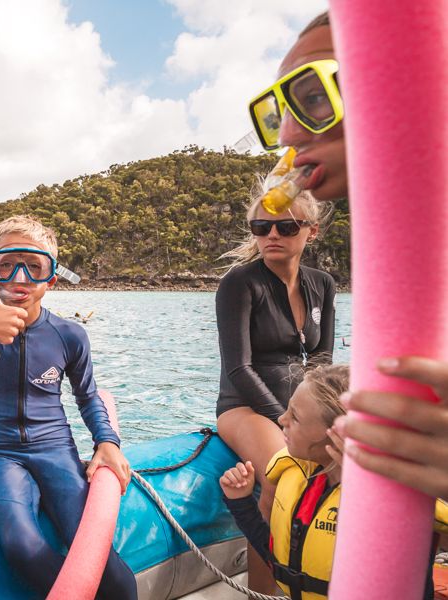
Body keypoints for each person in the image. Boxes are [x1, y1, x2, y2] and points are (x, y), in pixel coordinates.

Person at [253, 10, 448, 509]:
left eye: (313, 97)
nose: (288, 137)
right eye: (276, 114)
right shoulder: (398, 254)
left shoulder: (323, 281)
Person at [0, 215, 137, 599]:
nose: (19, 277)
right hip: (0, 454)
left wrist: (107, 441)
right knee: (22, 547)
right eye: (7, 264)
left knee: (104, 563)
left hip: (57, 451)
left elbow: (87, 396)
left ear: (50, 279)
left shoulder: (69, 334)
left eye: (34, 267)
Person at [220, 364, 447, 599]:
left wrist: (372, 497)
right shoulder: (297, 473)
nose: (281, 419)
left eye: (295, 417)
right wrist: (241, 502)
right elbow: (278, 560)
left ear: (337, 433)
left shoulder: (394, 493)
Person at [215, 186, 336, 590]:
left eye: (285, 226)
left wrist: (328, 418)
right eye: (261, 226)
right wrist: (286, 418)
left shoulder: (322, 284)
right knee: (281, 472)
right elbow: (238, 368)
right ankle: (266, 593)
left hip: (300, 406)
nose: (272, 235)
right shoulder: (240, 283)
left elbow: (322, 367)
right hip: (244, 407)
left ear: (311, 232)